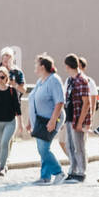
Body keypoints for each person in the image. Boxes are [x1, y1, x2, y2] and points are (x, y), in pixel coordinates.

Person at [26, 54, 66, 183]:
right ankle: (45, 176)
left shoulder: (54, 80)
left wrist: (53, 120)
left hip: (51, 119)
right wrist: (29, 121)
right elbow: (33, 101)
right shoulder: (41, 81)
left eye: (36, 65)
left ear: (42, 66)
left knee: (43, 149)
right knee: (41, 148)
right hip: (39, 120)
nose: (35, 68)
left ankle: (59, 172)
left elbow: (59, 102)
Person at [62, 54, 93, 183]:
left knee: (79, 146)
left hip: (77, 117)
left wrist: (80, 122)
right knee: (70, 145)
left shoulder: (82, 80)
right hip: (69, 116)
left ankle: (81, 172)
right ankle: (73, 170)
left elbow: (87, 103)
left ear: (68, 66)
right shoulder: (70, 80)